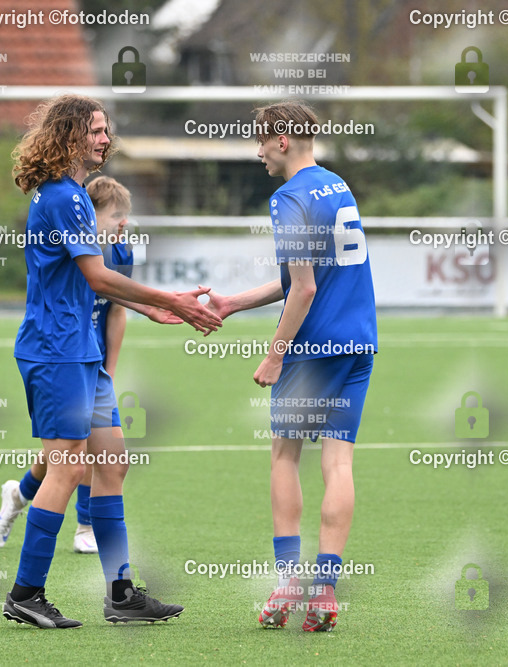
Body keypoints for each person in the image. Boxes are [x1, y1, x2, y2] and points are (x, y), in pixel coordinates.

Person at [2, 95, 220, 630]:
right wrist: (170, 301)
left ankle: (121, 594)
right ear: (70, 136)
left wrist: (148, 310)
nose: (106, 139)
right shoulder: (66, 198)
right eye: (96, 131)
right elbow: (97, 277)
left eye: (106, 130)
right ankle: (26, 594)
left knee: (113, 461)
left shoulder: (69, 195)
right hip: (58, 351)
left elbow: (88, 280)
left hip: (81, 351)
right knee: (70, 466)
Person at [205, 101, 377, 632]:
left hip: (313, 346)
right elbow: (304, 276)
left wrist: (276, 352)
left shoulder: (288, 199)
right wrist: (235, 303)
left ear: (282, 140)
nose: (257, 152)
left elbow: (303, 288)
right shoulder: (335, 185)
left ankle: (286, 586)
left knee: (284, 457)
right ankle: (324, 593)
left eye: (260, 141)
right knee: (339, 464)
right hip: (359, 341)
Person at [0, 176, 139, 555]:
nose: (124, 223)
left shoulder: (121, 253)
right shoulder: (75, 250)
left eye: (127, 215)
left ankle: (20, 493)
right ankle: (83, 526)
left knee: (82, 450)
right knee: (77, 451)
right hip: (62, 354)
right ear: (91, 216)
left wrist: (111, 366)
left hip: (93, 358)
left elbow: (117, 312)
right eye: (117, 215)